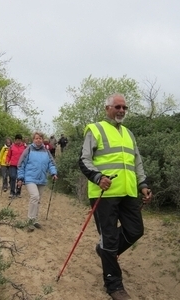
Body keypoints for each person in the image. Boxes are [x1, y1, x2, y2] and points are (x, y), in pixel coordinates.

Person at [78, 93, 152, 300]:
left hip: (128, 192)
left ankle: (104, 251)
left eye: (124, 108)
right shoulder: (96, 129)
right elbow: (84, 160)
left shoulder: (129, 133)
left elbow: (137, 162)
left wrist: (143, 184)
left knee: (136, 230)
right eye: (117, 107)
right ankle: (114, 285)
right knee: (109, 239)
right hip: (104, 193)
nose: (121, 111)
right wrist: (97, 176)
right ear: (107, 108)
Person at [17, 131, 58, 231]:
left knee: (38, 200)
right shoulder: (29, 149)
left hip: (42, 179)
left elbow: (51, 163)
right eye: (36, 138)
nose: (38, 140)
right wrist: (20, 177)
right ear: (33, 140)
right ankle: (30, 221)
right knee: (34, 197)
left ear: (42, 139)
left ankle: (35, 220)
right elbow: (21, 164)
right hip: (30, 178)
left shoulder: (46, 151)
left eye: (40, 138)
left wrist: (53, 173)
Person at [6, 134, 26, 198]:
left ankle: (18, 192)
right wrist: (7, 161)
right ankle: (12, 192)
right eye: (17, 139)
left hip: (21, 165)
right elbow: (8, 155)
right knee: (13, 177)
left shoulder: (24, 147)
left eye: (19, 140)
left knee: (19, 178)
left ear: (21, 140)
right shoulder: (12, 147)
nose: (18, 141)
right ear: (15, 140)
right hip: (12, 164)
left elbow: (26, 156)